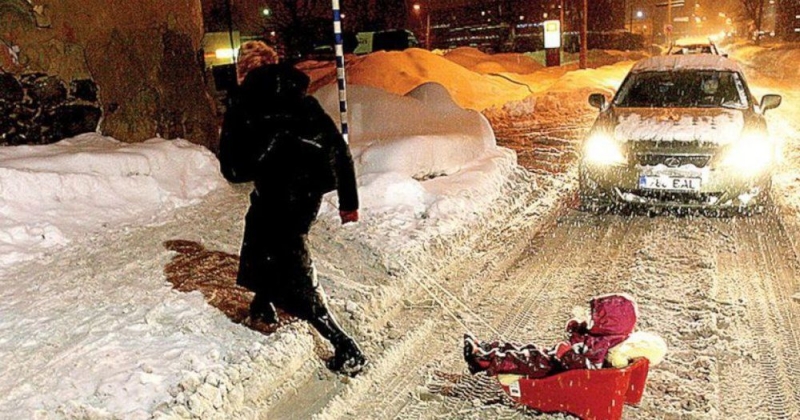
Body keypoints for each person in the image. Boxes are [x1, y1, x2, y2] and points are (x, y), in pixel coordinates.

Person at [218, 41, 366, 376]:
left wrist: (263, 152)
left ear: (244, 72)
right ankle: (262, 304)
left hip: (277, 196)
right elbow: (338, 152)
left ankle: (345, 346)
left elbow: (234, 170)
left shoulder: (244, 108)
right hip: (306, 196)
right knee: (256, 240)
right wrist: (348, 203)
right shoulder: (304, 102)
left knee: (292, 270)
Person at [464, 294, 637, 377]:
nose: (590, 320)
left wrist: (567, 355)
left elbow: (588, 372)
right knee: (528, 350)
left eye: (594, 318)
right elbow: (582, 344)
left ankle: (482, 360)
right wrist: (577, 329)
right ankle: (487, 348)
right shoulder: (604, 336)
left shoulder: (603, 346)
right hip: (559, 363)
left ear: (608, 324)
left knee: (526, 360)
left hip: (558, 371)